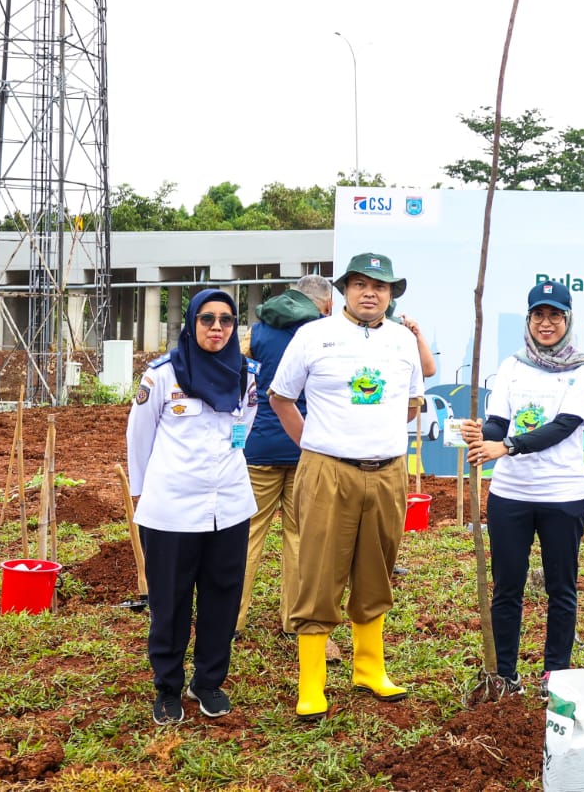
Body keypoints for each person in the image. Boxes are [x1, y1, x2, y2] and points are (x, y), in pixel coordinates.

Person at [268, 252, 425, 720]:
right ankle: (312, 682)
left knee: (378, 565)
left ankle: (369, 668)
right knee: (318, 569)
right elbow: (280, 397)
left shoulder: (403, 341)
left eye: (380, 285)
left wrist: (377, 434)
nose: (370, 293)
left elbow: (412, 402)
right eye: (360, 284)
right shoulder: (313, 336)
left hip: (387, 471)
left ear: (392, 293)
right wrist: (314, 444)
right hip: (326, 470)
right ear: (344, 291)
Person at [461, 280, 584, 698]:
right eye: (538, 315)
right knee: (508, 587)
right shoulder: (511, 366)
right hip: (511, 495)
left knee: (562, 588)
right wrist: (479, 432)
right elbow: (497, 423)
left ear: (567, 321)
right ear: (529, 320)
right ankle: (505, 674)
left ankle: (554, 677)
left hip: (563, 494)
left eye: (554, 316)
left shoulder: (583, 368)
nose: (546, 323)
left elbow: (563, 427)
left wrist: (506, 446)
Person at [126, 288, 260, 725]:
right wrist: (144, 494)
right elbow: (139, 437)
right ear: (191, 323)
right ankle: (167, 686)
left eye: (225, 320)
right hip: (172, 510)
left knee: (223, 597)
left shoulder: (245, 373)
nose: (217, 328)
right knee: (170, 601)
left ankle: (209, 682)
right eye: (207, 319)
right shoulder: (162, 375)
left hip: (230, 505)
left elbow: (244, 427)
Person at [236, 274, 334, 647]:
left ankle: (233, 618)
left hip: (258, 446)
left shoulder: (256, 333)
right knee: (299, 536)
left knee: (246, 534)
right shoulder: (326, 334)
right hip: (306, 446)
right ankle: (294, 620)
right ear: (324, 304)